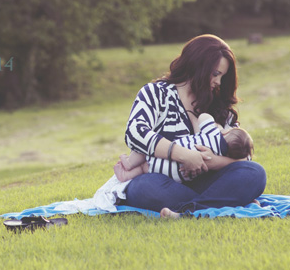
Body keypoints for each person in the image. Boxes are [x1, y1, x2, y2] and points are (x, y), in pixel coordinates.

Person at [116, 34, 266, 218]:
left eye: (222, 77)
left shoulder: (216, 103)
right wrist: (183, 154)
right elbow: (135, 133)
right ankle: (226, 202)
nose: (218, 82)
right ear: (197, 65)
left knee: (255, 173)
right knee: (143, 188)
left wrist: (212, 161)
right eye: (215, 74)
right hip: (162, 180)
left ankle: (189, 211)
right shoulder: (155, 93)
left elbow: (243, 157)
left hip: (207, 181)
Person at [113, 112, 254, 183]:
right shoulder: (227, 150)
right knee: (146, 171)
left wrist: (218, 127)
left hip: (163, 161)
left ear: (227, 132)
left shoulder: (214, 133)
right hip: (175, 176)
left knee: (147, 147)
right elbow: (246, 159)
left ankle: (129, 164)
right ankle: (127, 175)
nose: (217, 81)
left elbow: (204, 117)